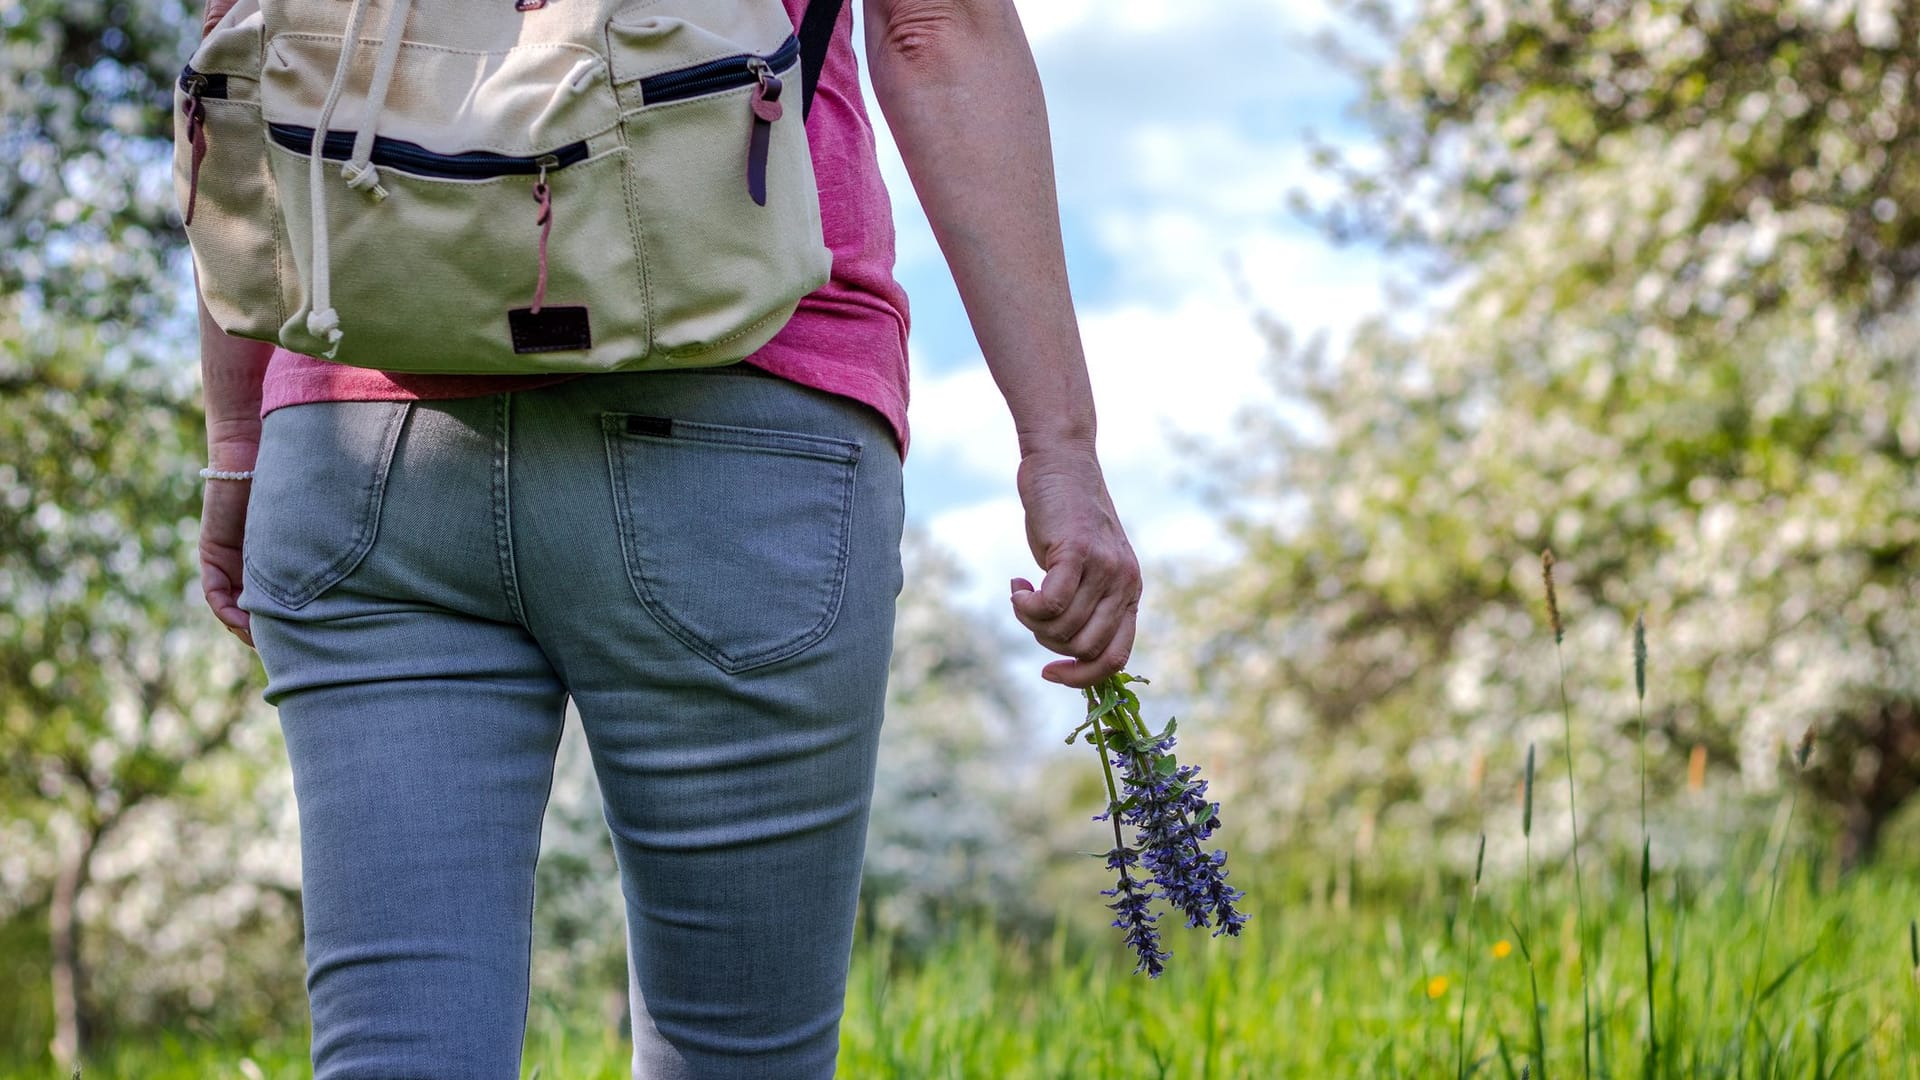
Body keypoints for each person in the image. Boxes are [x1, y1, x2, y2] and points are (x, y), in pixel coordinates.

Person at [193, 0, 1142, 1075]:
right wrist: (1058, 450)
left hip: (363, 431)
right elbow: (936, 30)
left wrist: (235, 435)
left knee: (398, 1055)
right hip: (739, 404)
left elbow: (240, 64)